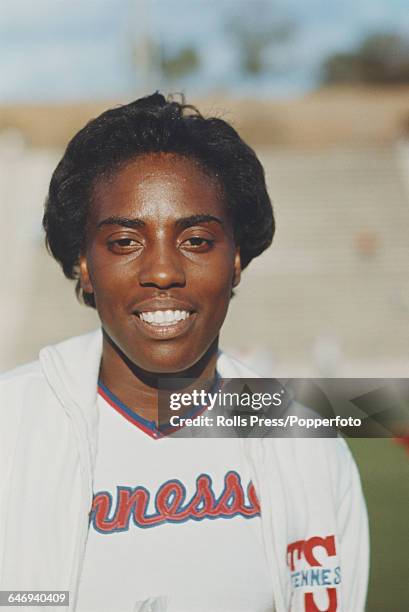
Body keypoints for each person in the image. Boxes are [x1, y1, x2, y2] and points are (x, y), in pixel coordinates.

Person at [0, 93, 368, 611]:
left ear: (236, 259)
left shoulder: (307, 447)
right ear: (84, 263)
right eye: (125, 241)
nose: (164, 271)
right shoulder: (10, 428)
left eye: (196, 240)